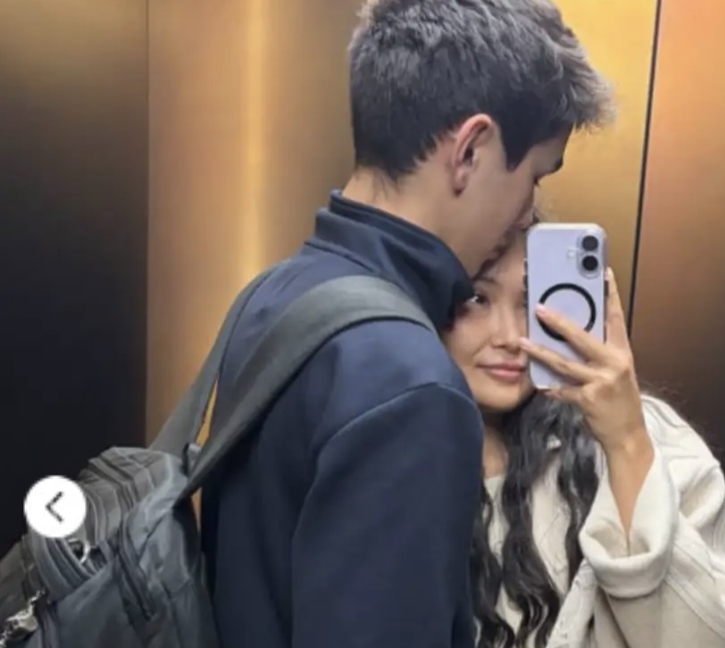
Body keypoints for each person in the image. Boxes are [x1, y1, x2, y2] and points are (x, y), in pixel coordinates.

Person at [198, 1, 612, 647]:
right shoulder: (411, 381)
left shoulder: (274, 294)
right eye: (533, 175)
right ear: (470, 150)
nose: (527, 214)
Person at [442, 226, 725, 648]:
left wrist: (626, 442)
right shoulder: (399, 449)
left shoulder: (651, 438)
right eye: (479, 299)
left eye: (531, 302)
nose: (511, 338)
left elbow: (701, 640)